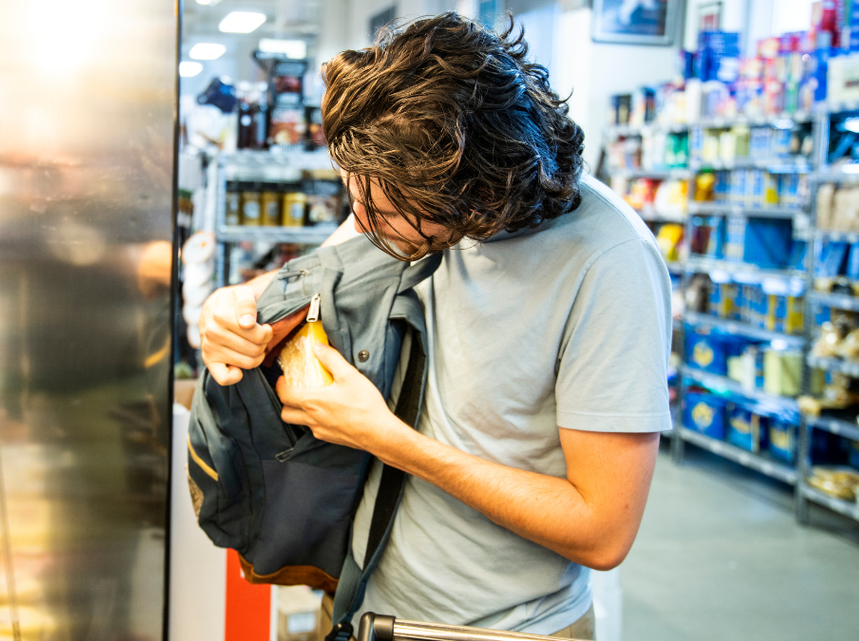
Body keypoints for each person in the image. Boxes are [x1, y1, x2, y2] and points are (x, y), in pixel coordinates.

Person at [197, 13, 671, 640]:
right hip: (360, 603)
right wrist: (231, 305)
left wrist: (385, 437)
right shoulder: (414, 194)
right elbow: (326, 270)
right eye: (354, 196)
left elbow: (603, 529)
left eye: (385, 212)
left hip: (492, 631)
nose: (361, 223)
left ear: (476, 200)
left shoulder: (607, 263)